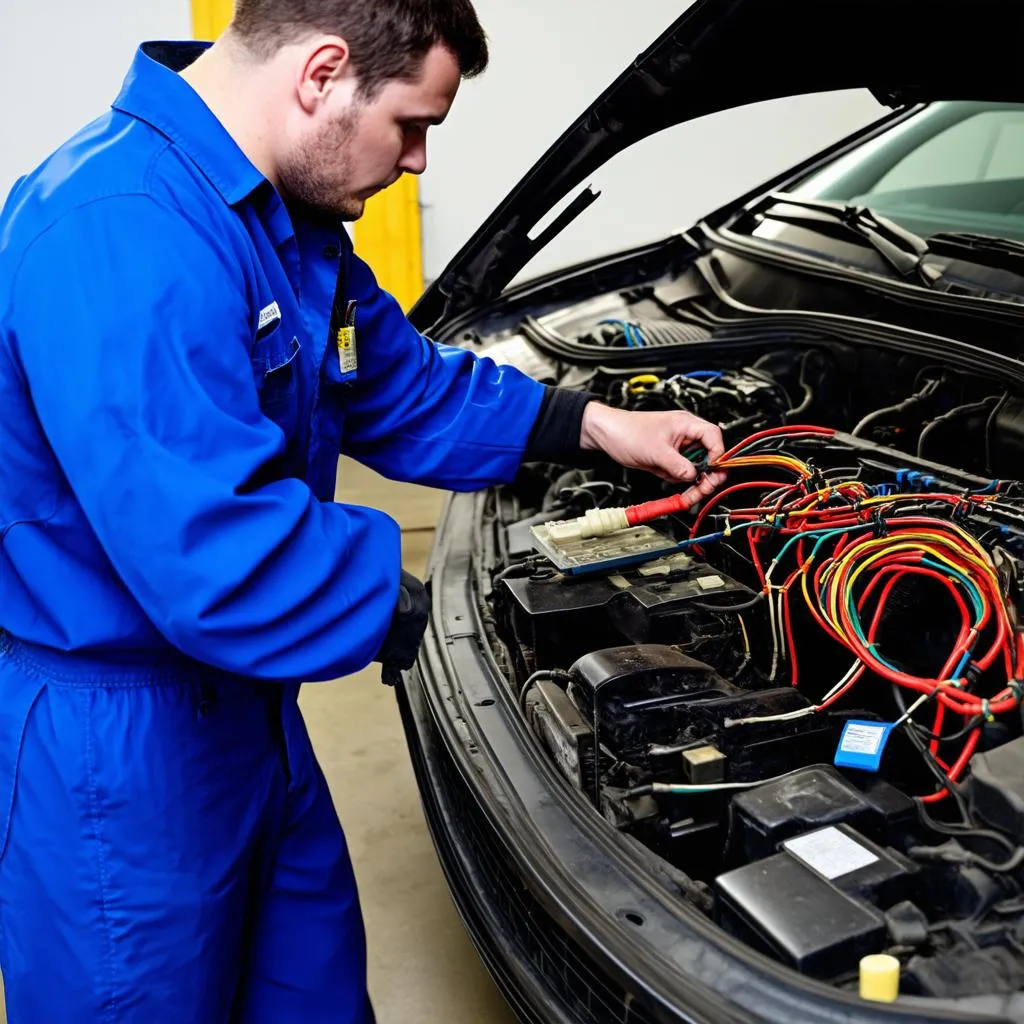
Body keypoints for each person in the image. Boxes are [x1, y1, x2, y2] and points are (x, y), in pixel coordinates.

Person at [0, 1, 726, 1020]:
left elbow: (398, 384)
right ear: (321, 73)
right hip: (120, 759)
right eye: (411, 124)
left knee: (311, 992)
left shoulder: (277, 220)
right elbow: (215, 550)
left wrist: (592, 425)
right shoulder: (121, 229)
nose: (419, 162)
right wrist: (414, 613)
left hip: (248, 711)